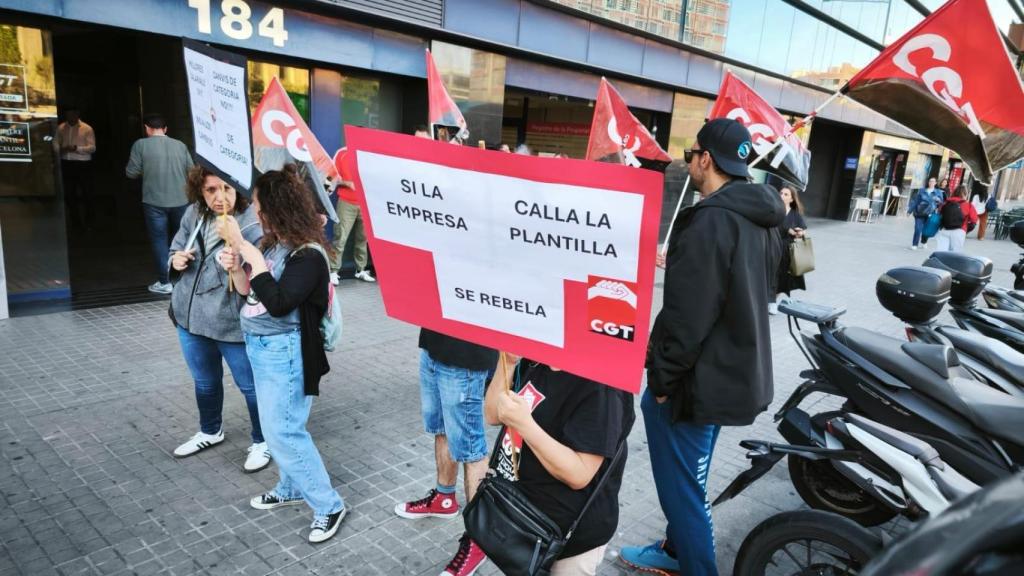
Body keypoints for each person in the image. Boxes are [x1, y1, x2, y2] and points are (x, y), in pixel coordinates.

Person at [620, 118, 784, 576]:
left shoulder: (711, 219)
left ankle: (694, 565)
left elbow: (686, 318)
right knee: (690, 476)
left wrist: (663, 381)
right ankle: (675, 550)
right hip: (731, 374)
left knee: (683, 490)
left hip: (695, 384)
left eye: (691, 153)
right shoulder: (761, 216)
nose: (688, 160)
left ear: (706, 159)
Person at [217, 166, 346, 544]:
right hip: (261, 348)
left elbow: (278, 303)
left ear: (275, 208)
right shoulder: (274, 244)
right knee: (285, 428)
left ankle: (329, 505)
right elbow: (249, 293)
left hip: (285, 352)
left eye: (258, 205)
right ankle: (291, 488)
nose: (255, 212)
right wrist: (239, 266)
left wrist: (250, 255)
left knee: (283, 432)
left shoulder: (309, 256)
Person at [480, 354, 635, 576]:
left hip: (568, 539)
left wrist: (524, 424)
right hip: (523, 519)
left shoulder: (602, 386)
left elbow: (579, 474)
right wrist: (508, 362)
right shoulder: (537, 358)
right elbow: (493, 415)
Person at [168, 165, 268, 472]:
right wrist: (176, 259)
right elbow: (175, 247)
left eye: (226, 188)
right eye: (211, 190)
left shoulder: (253, 222)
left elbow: (260, 279)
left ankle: (263, 440)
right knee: (205, 381)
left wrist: (238, 257)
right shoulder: (193, 214)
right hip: (189, 316)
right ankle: (210, 430)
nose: (220, 197)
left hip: (231, 322)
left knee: (250, 385)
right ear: (201, 191)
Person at [395, 326, 497, 575]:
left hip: (467, 355)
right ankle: (444, 498)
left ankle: (478, 540)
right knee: (441, 428)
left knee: (470, 447)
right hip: (433, 343)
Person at [126, 113, 195, 294]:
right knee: (183, 239)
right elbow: (192, 172)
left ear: (147, 128)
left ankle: (165, 282)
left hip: (154, 202)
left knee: (159, 241)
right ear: (165, 129)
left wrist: (146, 171)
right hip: (181, 200)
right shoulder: (180, 145)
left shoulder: (140, 145)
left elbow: (131, 173)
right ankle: (185, 279)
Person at [329, 147, 374, 284]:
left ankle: (360, 270)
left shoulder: (369, 154)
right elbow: (331, 176)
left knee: (363, 239)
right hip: (346, 202)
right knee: (340, 238)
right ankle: (333, 272)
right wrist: (347, 183)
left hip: (366, 203)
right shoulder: (342, 153)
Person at [770, 185, 809, 315]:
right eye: (781, 193)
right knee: (770, 275)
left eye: (786, 194)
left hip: (787, 250)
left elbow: (803, 229)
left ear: (791, 199)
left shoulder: (795, 214)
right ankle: (770, 301)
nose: (782, 196)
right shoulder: (773, 210)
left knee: (782, 277)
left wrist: (799, 232)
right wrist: (787, 229)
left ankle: (773, 300)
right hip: (771, 247)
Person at [57, 106, 97, 230]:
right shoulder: (61, 128)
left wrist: (76, 149)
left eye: (72, 115)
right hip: (67, 163)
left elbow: (92, 148)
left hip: (82, 163)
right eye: (67, 115)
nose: (70, 117)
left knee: (87, 192)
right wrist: (60, 149)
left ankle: (90, 218)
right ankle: (75, 221)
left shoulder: (87, 128)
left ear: (77, 114)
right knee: (69, 193)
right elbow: (55, 142)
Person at [935, 184, 979, 252]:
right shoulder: (968, 205)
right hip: (959, 231)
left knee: (941, 253)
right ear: (965, 194)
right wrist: (966, 230)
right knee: (955, 255)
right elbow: (974, 221)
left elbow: (939, 214)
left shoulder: (945, 203)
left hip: (944, 230)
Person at [907, 177, 943, 250]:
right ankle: (915, 244)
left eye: (933, 181)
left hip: (930, 213)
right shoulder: (922, 190)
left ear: (935, 183)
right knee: (917, 228)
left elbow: (941, 203)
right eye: (930, 181)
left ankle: (924, 241)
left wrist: (938, 201)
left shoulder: (938, 192)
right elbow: (916, 201)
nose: (931, 183)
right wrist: (909, 211)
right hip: (919, 212)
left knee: (927, 228)